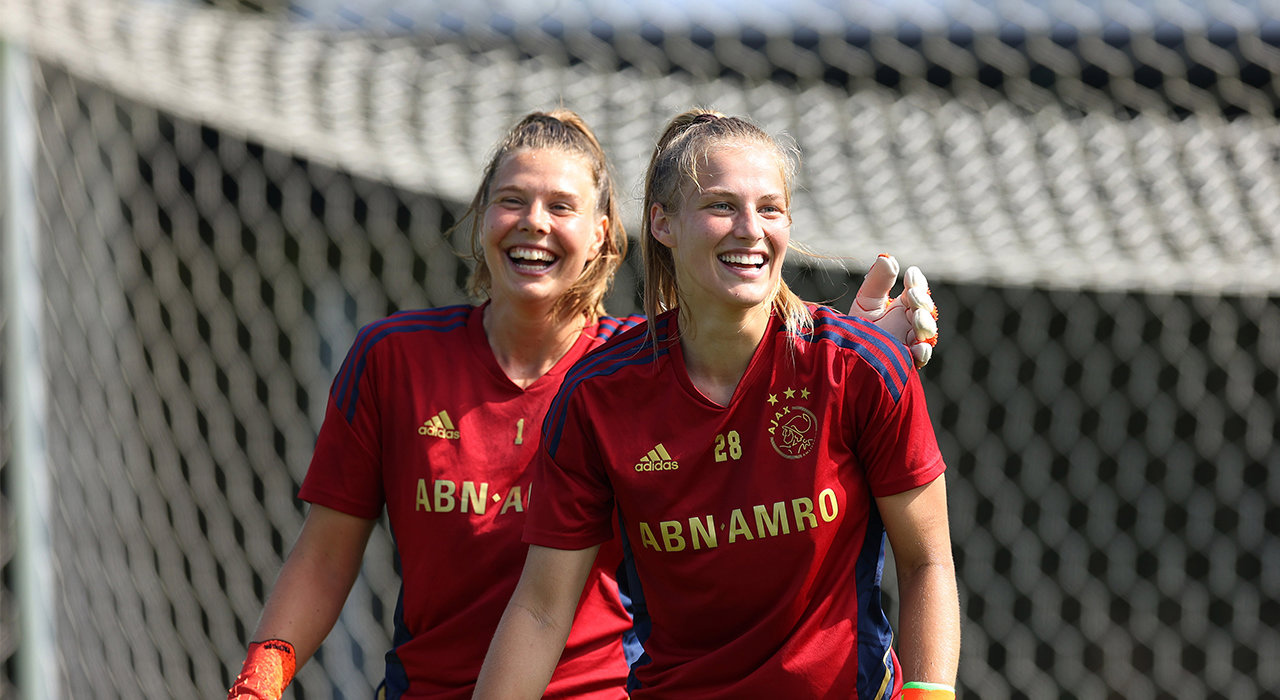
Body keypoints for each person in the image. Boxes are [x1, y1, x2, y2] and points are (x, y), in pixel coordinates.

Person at [227, 109, 942, 700]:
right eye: (512, 200)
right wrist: (264, 674)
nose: (534, 222)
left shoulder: (649, 365)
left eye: (562, 206)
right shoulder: (408, 361)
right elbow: (330, 553)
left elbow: (749, 336)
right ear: (480, 216)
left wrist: (847, 346)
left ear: (605, 230)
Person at [473, 109, 960, 699]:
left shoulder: (859, 368)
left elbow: (927, 563)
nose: (750, 229)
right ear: (663, 223)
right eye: (721, 206)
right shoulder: (597, 396)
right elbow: (541, 610)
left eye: (770, 208)